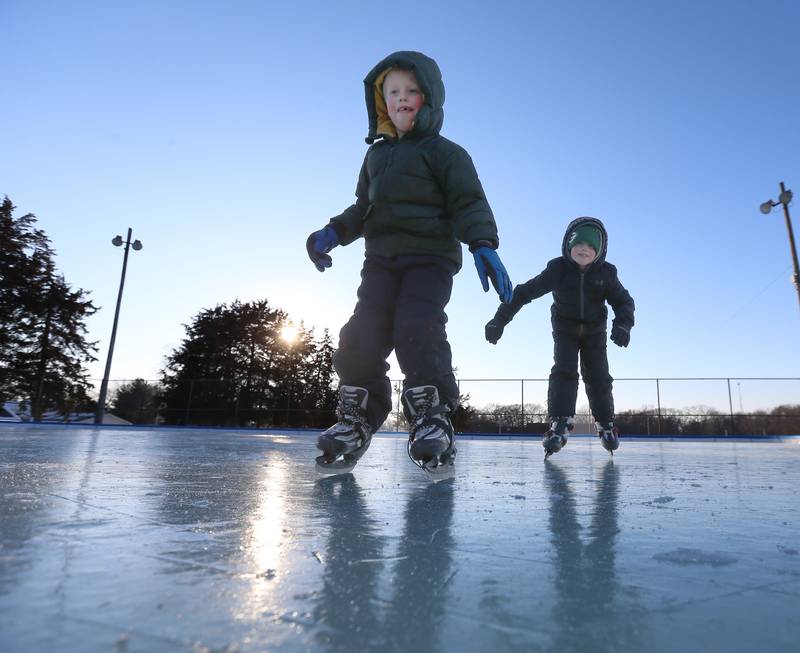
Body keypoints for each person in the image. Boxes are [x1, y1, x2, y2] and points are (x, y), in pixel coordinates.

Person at [307, 51, 512, 476]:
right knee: (361, 332)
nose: (402, 98)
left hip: (430, 258)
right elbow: (364, 207)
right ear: (381, 101)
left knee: (416, 325)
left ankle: (431, 413)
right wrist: (333, 232)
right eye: (393, 91)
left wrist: (482, 243)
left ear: (429, 98)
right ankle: (358, 415)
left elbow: (468, 202)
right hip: (380, 260)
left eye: (412, 91)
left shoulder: (446, 153)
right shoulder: (375, 158)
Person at [484, 217, 634, 458]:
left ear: (600, 251)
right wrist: (499, 320)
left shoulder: (607, 274)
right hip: (565, 330)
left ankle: (606, 425)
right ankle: (560, 422)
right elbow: (524, 293)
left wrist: (623, 326)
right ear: (567, 245)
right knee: (564, 370)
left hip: (595, 332)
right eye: (579, 243)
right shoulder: (557, 270)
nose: (584, 248)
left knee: (599, 376)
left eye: (591, 245)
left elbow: (624, 302)